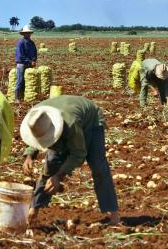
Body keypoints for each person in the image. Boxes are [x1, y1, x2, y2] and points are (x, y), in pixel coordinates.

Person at [21, 95, 120, 225]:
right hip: (63, 120)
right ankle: (33, 210)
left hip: (90, 122)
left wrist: (59, 175)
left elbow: (79, 154)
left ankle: (114, 216)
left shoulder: (71, 123)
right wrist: (29, 155)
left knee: (98, 167)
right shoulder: (35, 117)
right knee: (49, 168)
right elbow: (37, 135)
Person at [14, 25, 38, 102]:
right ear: (23, 34)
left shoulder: (32, 43)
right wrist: (30, 61)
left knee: (27, 81)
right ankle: (17, 98)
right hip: (21, 64)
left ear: (30, 34)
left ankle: (24, 96)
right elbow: (20, 56)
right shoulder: (20, 43)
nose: (27, 34)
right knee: (20, 81)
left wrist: (34, 60)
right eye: (26, 33)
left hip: (29, 64)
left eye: (28, 33)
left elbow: (35, 53)